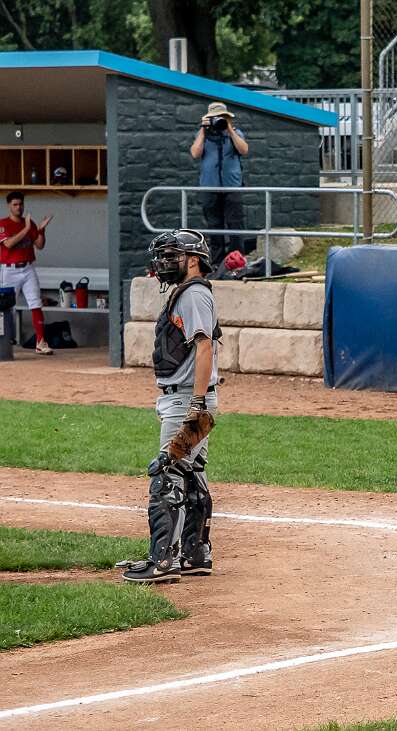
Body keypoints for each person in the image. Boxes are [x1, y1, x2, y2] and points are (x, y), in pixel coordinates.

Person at [123, 229, 221, 583]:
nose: (164, 262)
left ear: (193, 261)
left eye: (171, 256)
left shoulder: (193, 295)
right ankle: (195, 553)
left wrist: (196, 403)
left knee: (168, 473)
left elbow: (204, 347)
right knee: (190, 472)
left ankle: (163, 561)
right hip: (186, 397)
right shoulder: (190, 293)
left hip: (187, 398)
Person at [190, 101, 249, 262]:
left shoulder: (235, 133)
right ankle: (217, 261)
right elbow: (195, 153)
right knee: (214, 225)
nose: (218, 120)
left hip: (232, 186)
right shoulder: (203, 135)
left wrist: (229, 129)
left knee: (235, 223)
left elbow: (244, 150)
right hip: (209, 187)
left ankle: (237, 259)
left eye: (222, 117)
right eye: (215, 118)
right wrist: (203, 130)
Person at [0, 191, 53, 354]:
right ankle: (3, 342)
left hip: (28, 268)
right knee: (5, 306)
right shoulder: (3, 223)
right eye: (15, 204)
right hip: (9, 270)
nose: (19, 207)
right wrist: (27, 228)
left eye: (20, 204)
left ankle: (40, 342)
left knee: (35, 303)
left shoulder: (29, 223)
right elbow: (8, 243)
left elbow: (40, 245)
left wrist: (41, 230)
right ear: (9, 206)